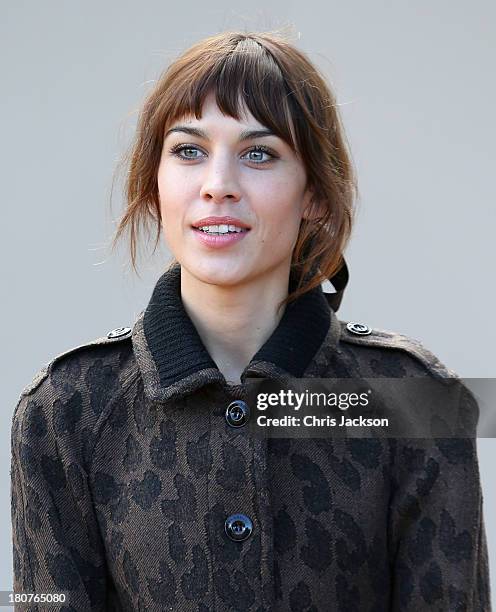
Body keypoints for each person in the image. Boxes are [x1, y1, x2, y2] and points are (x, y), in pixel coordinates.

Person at [10, 29, 490, 611]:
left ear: (314, 191)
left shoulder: (414, 398)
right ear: (154, 183)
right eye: (189, 151)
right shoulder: (64, 411)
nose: (218, 187)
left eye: (259, 153)